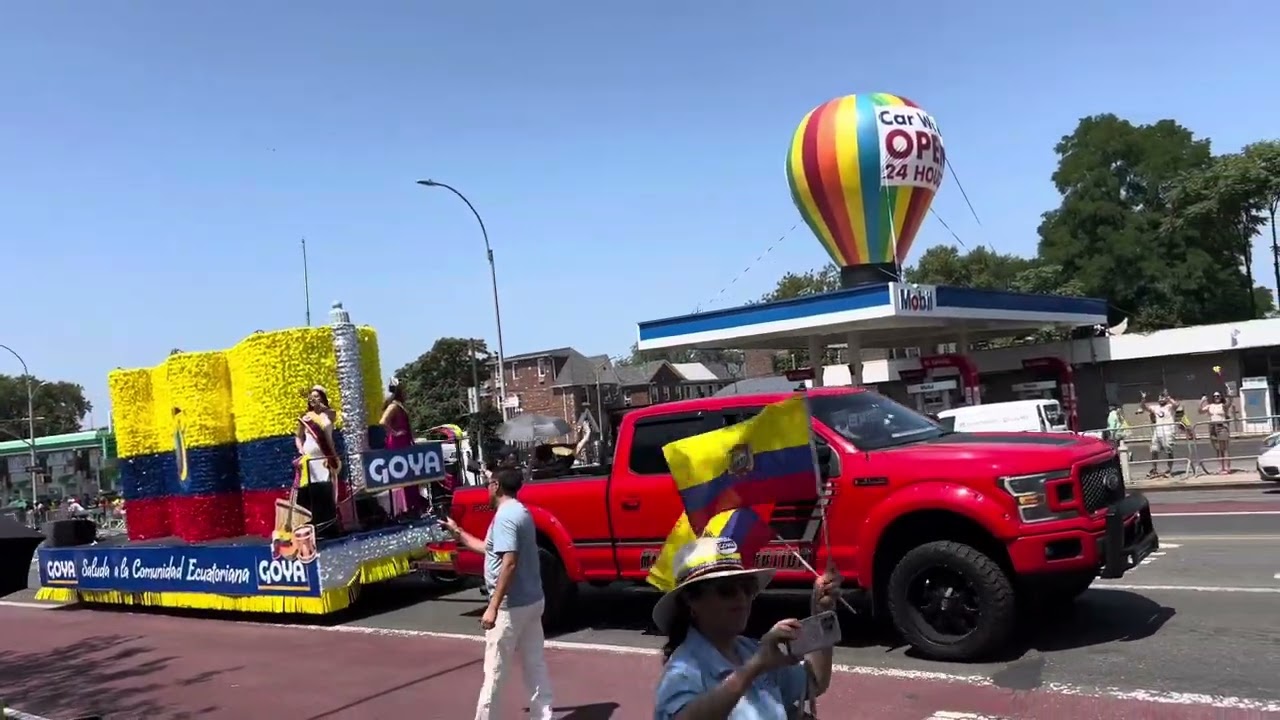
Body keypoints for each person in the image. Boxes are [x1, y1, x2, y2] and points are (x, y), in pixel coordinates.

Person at [653, 537, 839, 720]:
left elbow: (814, 682)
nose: (741, 599)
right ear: (691, 601)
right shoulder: (683, 671)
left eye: (747, 587)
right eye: (726, 590)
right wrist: (754, 667)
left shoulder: (752, 650)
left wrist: (822, 612)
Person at [442, 468, 552, 720]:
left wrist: (493, 605)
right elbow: (489, 549)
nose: (486, 490)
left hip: (511, 608)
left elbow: (509, 562)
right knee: (535, 664)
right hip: (532, 601)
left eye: (487, 484)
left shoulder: (505, 517)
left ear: (496, 486)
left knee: (494, 672)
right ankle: (544, 716)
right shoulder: (520, 511)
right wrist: (457, 532)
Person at [295, 385, 343, 535]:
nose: (313, 399)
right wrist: (301, 449)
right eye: (312, 397)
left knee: (326, 490)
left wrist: (321, 408)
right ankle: (315, 525)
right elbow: (298, 436)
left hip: (325, 456)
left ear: (322, 398)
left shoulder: (329, 414)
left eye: (317, 396)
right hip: (310, 459)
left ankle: (330, 524)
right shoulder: (306, 417)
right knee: (313, 491)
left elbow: (332, 418)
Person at [380, 377, 427, 517]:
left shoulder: (399, 405)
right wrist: (395, 432)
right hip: (397, 444)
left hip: (404, 443)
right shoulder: (393, 406)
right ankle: (408, 508)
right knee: (404, 477)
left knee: (410, 477)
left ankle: (414, 506)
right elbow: (382, 421)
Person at [1136, 390, 1180, 477]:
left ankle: (1169, 470)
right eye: (1159, 398)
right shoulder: (1156, 407)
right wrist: (1143, 398)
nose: (1161, 399)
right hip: (1158, 431)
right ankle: (1154, 469)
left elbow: (1176, 405)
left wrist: (1168, 397)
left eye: (1163, 397)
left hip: (1168, 431)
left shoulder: (1170, 407)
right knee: (1154, 450)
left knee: (1169, 451)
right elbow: (1143, 407)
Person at [1200, 390, 1234, 474]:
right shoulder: (1210, 406)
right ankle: (1220, 467)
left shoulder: (1223, 406)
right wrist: (1202, 401)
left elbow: (1229, 403)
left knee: (1224, 448)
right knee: (1218, 449)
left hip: (1222, 427)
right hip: (1212, 428)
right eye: (1215, 396)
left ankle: (1227, 467)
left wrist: (1230, 395)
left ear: (1221, 397)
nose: (1216, 398)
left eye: (1218, 396)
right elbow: (1200, 411)